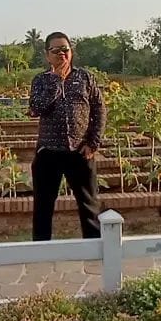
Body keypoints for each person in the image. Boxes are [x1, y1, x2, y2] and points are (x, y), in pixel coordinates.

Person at [28, 32, 105, 241]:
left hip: (79, 152)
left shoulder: (85, 77)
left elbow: (99, 109)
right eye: (56, 51)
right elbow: (36, 108)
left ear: (71, 52)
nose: (62, 54)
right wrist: (56, 81)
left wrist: (93, 142)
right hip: (48, 153)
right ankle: (41, 253)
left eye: (65, 50)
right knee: (43, 208)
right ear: (47, 55)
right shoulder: (41, 81)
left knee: (89, 205)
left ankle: (94, 251)